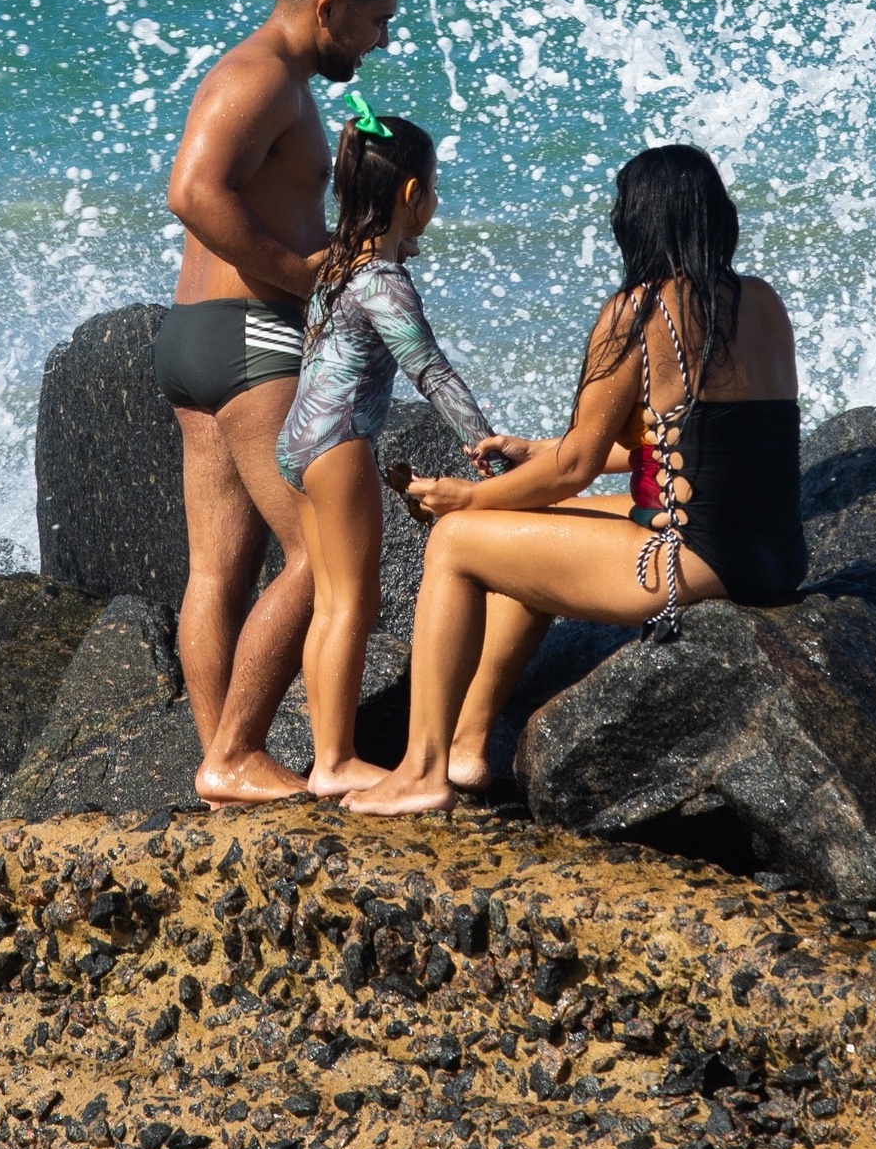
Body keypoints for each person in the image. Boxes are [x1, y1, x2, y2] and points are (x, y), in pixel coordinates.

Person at [345, 143, 804, 818]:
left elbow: (575, 468)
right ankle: (468, 747)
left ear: (636, 222)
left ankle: (421, 770)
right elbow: (704, 442)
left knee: (459, 542)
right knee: (531, 537)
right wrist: (537, 450)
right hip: (775, 558)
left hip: (689, 560)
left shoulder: (640, 311)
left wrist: (464, 499)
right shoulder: (763, 303)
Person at [157, 0, 409, 804]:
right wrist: (300, 274)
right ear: (330, 7)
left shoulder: (280, 84)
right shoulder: (259, 75)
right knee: (321, 555)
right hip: (250, 336)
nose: (379, 43)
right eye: (376, 22)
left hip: (197, 339)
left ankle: (220, 764)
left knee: (218, 570)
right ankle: (234, 753)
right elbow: (192, 189)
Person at [274, 102, 494, 797]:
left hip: (298, 439)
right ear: (410, 194)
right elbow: (431, 372)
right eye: (432, 188)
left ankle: (327, 756)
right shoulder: (385, 284)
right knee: (351, 605)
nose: (435, 201)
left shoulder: (339, 266)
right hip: (339, 445)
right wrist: (481, 447)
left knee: (330, 601)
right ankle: (334, 762)